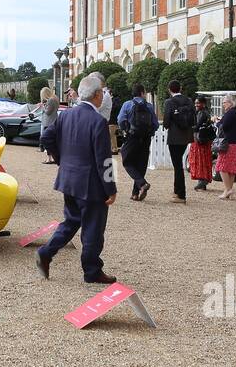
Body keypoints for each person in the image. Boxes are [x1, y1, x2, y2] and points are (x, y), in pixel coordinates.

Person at [35, 73, 119, 285]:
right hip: (91, 184)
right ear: (98, 95)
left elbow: (46, 137)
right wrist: (111, 187)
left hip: (68, 179)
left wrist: (61, 159)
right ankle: (92, 270)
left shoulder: (65, 115)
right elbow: (104, 159)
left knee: (71, 221)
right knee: (93, 227)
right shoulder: (98, 121)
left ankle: (46, 252)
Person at [116, 83, 157, 201]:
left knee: (127, 161)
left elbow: (121, 120)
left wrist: (126, 130)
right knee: (141, 164)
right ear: (142, 93)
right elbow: (154, 124)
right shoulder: (149, 106)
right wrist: (150, 133)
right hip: (145, 139)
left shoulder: (127, 104)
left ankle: (142, 184)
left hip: (132, 137)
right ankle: (135, 192)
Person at [213, 94, 236, 200]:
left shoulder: (230, 113)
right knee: (231, 169)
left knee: (222, 167)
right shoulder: (235, 113)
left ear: (230, 103)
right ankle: (229, 189)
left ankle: (227, 189)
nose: (223, 104)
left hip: (229, 144)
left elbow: (224, 126)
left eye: (224, 102)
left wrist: (217, 122)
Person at [189, 96, 214, 191]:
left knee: (199, 160)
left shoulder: (202, 113)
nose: (196, 105)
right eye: (195, 103)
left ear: (203, 104)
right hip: (205, 140)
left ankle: (202, 180)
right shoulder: (206, 112)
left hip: (199, 140)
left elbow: (196, 127)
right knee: (204, 160)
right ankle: (203, 181)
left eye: (198, 103)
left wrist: (187, 127)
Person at [38, 86, 60, 164]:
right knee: (52, 141)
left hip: (49, 122)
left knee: (46, 140)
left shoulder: (51, 100)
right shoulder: (55, 99)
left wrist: (42, 106)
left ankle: (49, 158)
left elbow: (48, 112)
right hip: (53, 121)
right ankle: (52, 158)